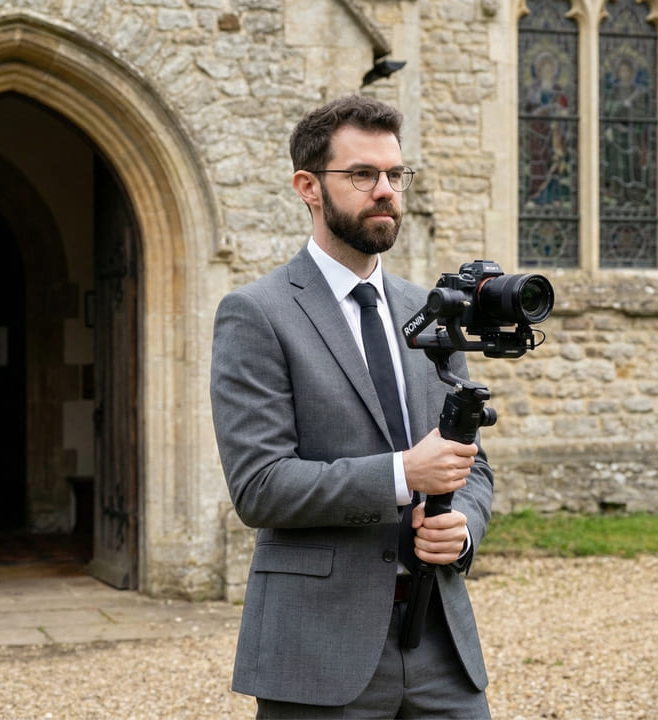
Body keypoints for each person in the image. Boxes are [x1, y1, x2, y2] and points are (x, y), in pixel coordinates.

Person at [210, 95, 494, 718]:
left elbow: (469, 462)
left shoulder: (430, 311)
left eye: (395, 174)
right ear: (308, 187)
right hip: (318, 651)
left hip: (440, 644)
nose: (386, 191)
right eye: (363, 175)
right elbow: (260, 487)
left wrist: (464, 527)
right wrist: (402, 475)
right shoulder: (257, 314)